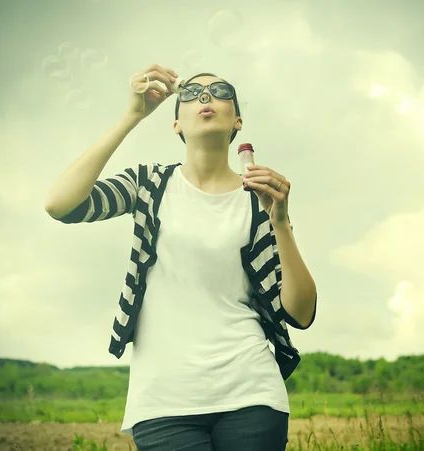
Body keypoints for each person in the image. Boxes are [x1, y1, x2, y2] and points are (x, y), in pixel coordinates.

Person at [44, 64, 317, 450]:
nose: (205, 98)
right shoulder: (148, 185)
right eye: (191, 93)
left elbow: (300, 313)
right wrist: (132, 116)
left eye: (220, 91)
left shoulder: (259, 201)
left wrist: (281, 220)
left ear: (237, 121)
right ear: (176, 125)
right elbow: (60, 205)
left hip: (252, 393)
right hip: (163, 401)